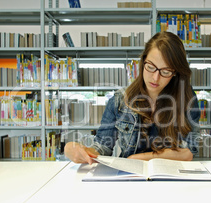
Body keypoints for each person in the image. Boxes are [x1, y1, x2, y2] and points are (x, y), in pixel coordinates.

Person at [65, 31, 200, 164]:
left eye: (165, 71)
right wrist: (77, 150)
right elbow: (102, 146)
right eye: (151, 67)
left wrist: (139, 158)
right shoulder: (120, 100)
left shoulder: (186, 98)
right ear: (143, 62)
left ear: (175, 72)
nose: (155, 77)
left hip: (171, 178)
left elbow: (188, 152)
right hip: (130, 177)